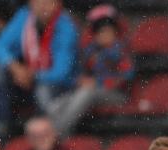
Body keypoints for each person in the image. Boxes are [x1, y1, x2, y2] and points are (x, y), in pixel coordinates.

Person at [0, 0, 79, 142]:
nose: (42, 6)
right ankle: (1, 129)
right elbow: (0, 46)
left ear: (57, 4)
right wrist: (15, 67)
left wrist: (33, 76)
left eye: (48, 2)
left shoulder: (66, 27)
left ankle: (50, 138)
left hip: (57, 87)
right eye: (37, 2)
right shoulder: (24, 17)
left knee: (43, 90)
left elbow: (62, 73)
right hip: (25, 82)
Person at [50, 5, 134, 136]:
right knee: (55, 106)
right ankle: (61, 134)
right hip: (93, 92)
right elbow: (80, 75)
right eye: (101, 33)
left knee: (86, 93)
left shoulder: (121, 50)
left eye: (108, 31)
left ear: (115, 32)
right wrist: (81, 80)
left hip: (118, 95)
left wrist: (98, 82)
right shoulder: (91, 51)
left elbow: (127, 76)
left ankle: (57, 134)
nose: (104, 36)